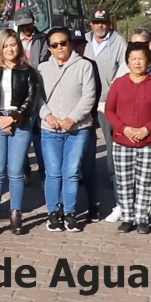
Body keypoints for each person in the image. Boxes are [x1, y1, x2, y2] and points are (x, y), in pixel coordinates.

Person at [105, 42, 151, 234]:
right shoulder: (119, 84)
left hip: (148, 141)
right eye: (133, 59)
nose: (137, 63)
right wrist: (123, 129)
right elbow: (109, 110)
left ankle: (142, 218)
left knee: (145, 181)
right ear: (127, 62)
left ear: (148, 61)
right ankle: (127, 217)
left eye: (141, 58)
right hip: (122, 141)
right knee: (124, 181)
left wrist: (147, 129)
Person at [0, 29, 39, 235]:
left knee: (15, 173)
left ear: (19, 46)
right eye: (6, 46)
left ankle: (16, 215)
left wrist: (13, 118)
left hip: (19, 123)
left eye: (13, 45)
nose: (10, 49)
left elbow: (31, 99)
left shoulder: (29, 72)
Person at [38, 27, 97, 233]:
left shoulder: (84, 66)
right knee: (53, 173)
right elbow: (37, 98)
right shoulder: (42, 69)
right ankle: (53, 213)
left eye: (63, 43)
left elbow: (89, 96)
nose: (60, 47)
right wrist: (48, 116)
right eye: (55, 45)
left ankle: (70, 213)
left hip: (77, 129)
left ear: (70, 44)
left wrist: (73, 118)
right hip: (50, 129)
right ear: (49, 48)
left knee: (71, 172)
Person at [83, 9, 127, 224]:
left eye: (104, 22)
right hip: (85, 101)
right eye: (96, 22)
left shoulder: (119, 42)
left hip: (108, 102)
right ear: (90, 24)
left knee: (111, 145)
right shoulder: (84, 41)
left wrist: (110, 97)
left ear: (110, 23)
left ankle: (114, 183)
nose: (100, 26)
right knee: (85, 142)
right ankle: (85, 178)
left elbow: (123, 69)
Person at [70, 30, 103, 222]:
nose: (77, 48)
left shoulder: (90, 65)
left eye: (81, 45)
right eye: (74, 44)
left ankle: (93, 205)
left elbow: (94, 94)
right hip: (63, 124)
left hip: (85, 123)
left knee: (88, 166)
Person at [15, 9, 49, 183]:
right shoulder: (13, 40)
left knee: (39, 136)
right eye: (22, 25)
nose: (26, 27)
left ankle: (43, 173)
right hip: (18, 92)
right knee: (20, 134)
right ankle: (25, 171)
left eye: (28, 23)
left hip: (38, 90)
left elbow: (44, 62)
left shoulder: (43, 39)